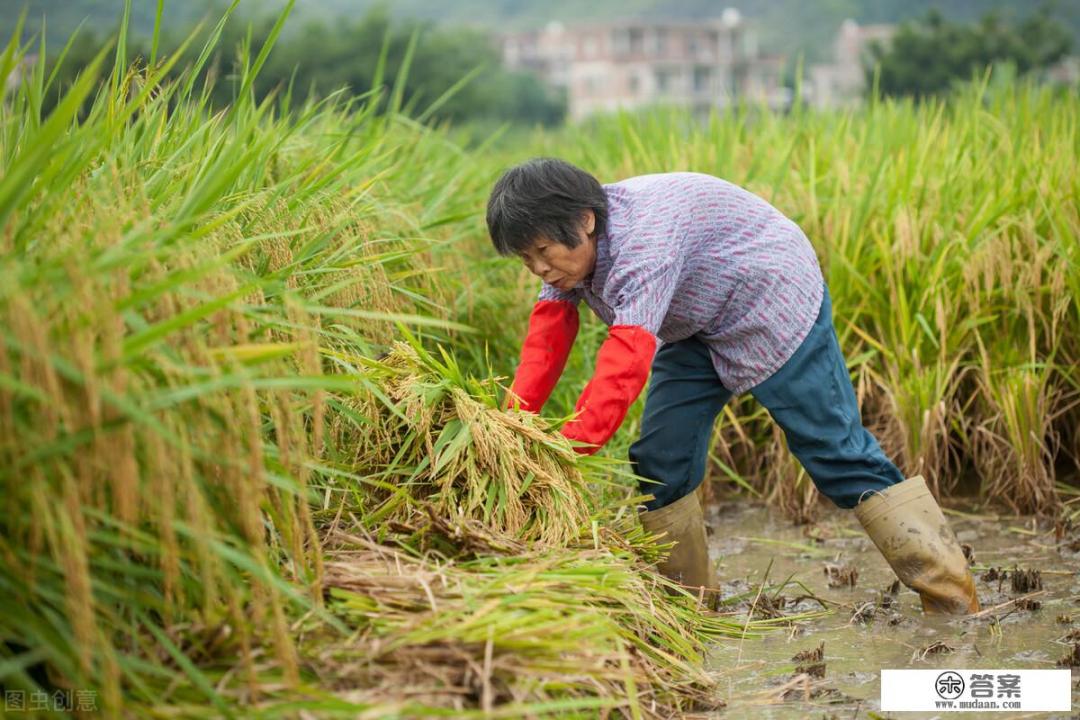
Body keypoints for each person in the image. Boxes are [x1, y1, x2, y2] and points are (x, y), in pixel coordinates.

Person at [486, 157, 979, 615]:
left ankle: (953, 600)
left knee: (835, 454)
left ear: (585, 222)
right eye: (526, 260)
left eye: (544, 253)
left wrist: (567, 448)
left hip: (771, 299)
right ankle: (691, 608)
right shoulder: (567, 254)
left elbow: (625, 362)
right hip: (696, 323)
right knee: (660, 460)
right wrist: (513, 423)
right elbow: (547, 337)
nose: (540, 269)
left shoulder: (644, 240)